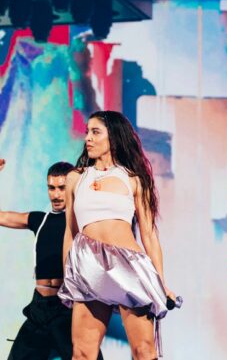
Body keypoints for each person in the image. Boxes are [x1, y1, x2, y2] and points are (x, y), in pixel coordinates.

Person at [59, 110, 179, 360]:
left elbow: (149, 235)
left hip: (129, 266)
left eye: (95, 132)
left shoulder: (133, 179)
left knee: (144, 351)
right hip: (88, 266)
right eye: (87, 132)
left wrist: (161, 282)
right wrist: (68, 277)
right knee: (82, 353)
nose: (88, 138)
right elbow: (70, 233)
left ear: (113, 137)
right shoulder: (75, 178)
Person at [0, 158, 102, 360]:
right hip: (39, 308)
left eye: (61, 188)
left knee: (87, 355)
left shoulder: (82, 222)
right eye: (51, 188)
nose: (56, 195)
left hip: (68, 308)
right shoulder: (40, 220)